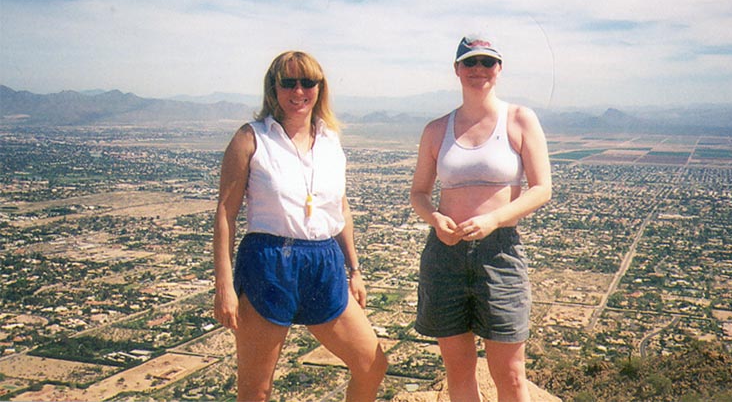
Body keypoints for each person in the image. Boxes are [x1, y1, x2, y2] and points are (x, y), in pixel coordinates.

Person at [213, 51, 387, 402]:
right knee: (255, 391)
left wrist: (354, 269)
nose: (298, 91)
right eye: (288, 83)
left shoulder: (330, 141)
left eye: (308, 82)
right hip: (269, 262)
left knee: (372, 363)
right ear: (272, 89)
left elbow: (340, 207)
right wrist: (224, 285)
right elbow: (225, 214)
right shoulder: (252, 138)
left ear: (320, 89)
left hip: (324, 261)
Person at [410, 36, 552, 402]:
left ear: (499, 69)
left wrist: (494, 220)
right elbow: (419, 193)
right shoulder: (436, 129)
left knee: (510, 373)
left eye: (487, 63)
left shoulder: (520, 119)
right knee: (458, 371)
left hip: (499, 251)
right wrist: (435, 219)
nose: (479, 70)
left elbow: (541, 188)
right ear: (456, 69)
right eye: (470, 63)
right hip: (445, 253)